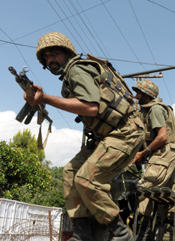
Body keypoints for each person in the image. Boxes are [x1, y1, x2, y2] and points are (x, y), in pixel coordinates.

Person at [27, 32, 145, 241]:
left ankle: (121, 232)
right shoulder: (71, 77)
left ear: (67, 52)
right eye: (46, 57)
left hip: (125, 131)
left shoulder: (77, 70)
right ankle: (82, 233)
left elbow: (91, 107)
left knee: (86, 178)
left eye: (54, 54)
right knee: (71, 172)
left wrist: (45, 97)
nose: (50, 60)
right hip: (107, 135)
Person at [131, 79, 175, 240]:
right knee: (156, 198)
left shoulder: (155, 110)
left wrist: (143, 153)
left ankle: (142, 235)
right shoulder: (151, 110)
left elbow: (162, 136)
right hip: (164, 155)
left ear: (147, 95)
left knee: (143, 191)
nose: (136, 96)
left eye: (138, 93)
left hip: (163, 154)